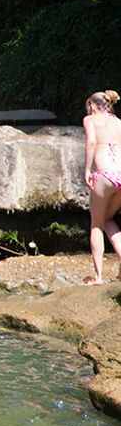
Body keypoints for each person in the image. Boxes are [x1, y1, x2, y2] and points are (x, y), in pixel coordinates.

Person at [83, 89, 121, 285]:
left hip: (105, 176)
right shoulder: (118, 123)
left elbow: (91, 142)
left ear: (92, 106)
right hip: (120, 176)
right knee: (108, 219)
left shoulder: (91, 120)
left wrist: (88, 170)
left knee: (96, 224)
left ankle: (98, 277)